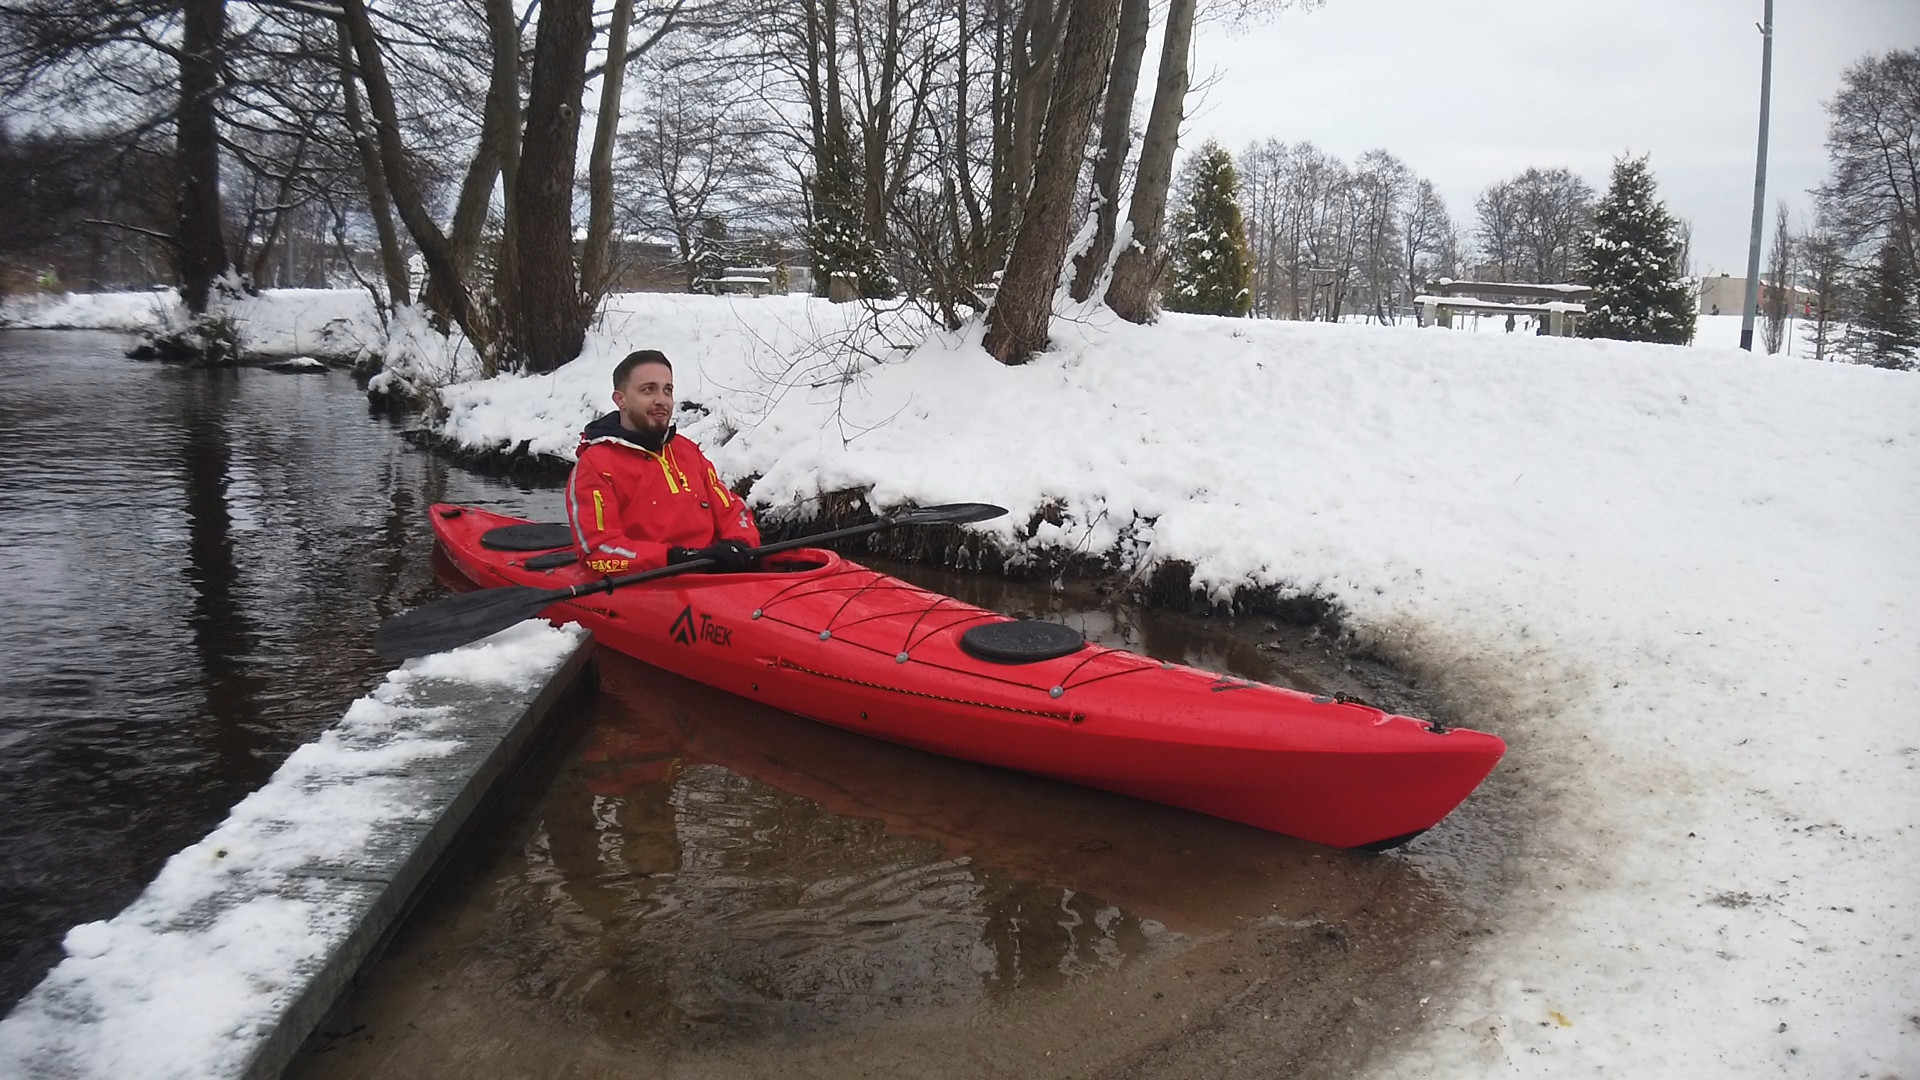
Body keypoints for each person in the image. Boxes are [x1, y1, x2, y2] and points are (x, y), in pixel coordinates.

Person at [567, 349, 761, 575]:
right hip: (652, 582)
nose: (661, 400)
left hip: (713, 574)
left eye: (667, 390)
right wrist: (674, 558)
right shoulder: (595, 465)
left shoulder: (687, 451)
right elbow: (597, 551)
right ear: (621, 400)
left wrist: (740, 543)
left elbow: (733, 512)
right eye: (648, 390)